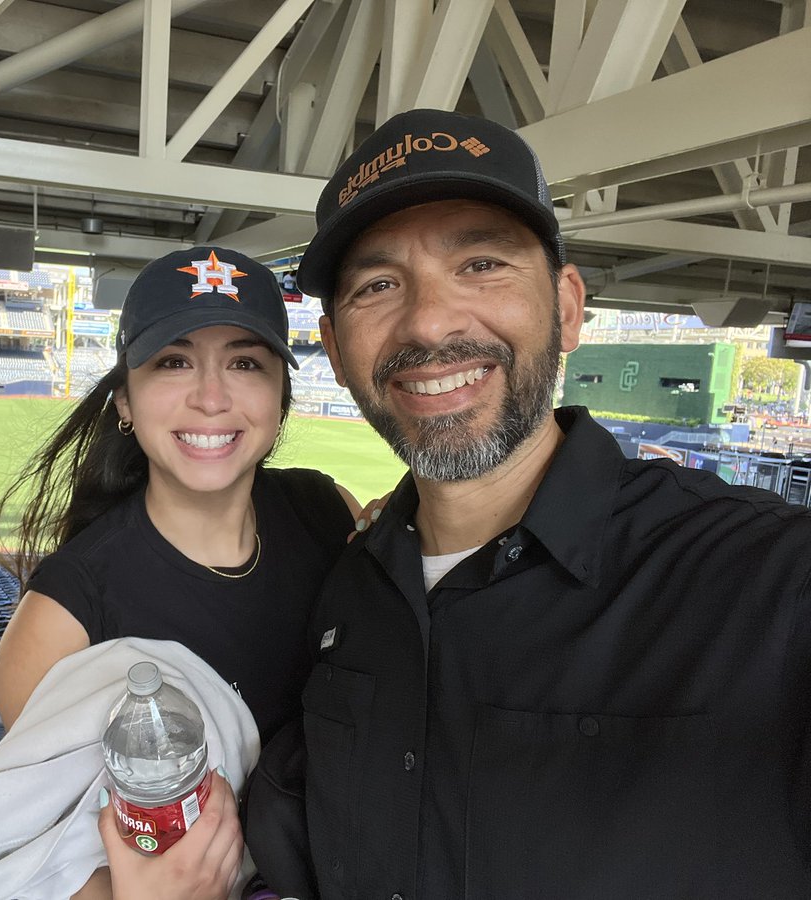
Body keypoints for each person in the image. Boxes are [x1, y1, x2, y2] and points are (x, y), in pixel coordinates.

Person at [245, 108, 811, 899]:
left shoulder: (769, 581)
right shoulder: (351, 593)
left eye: (481, 264)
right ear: (336, 352)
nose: (430, 320)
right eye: (377, 285)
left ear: (569, 308)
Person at [0, 246, 360, 899]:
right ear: (125, 402)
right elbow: (29, 865)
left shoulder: (328, 512)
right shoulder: (60, 622)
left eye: (245, 362)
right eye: (173, 361)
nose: (211, 397)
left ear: (281, 400)